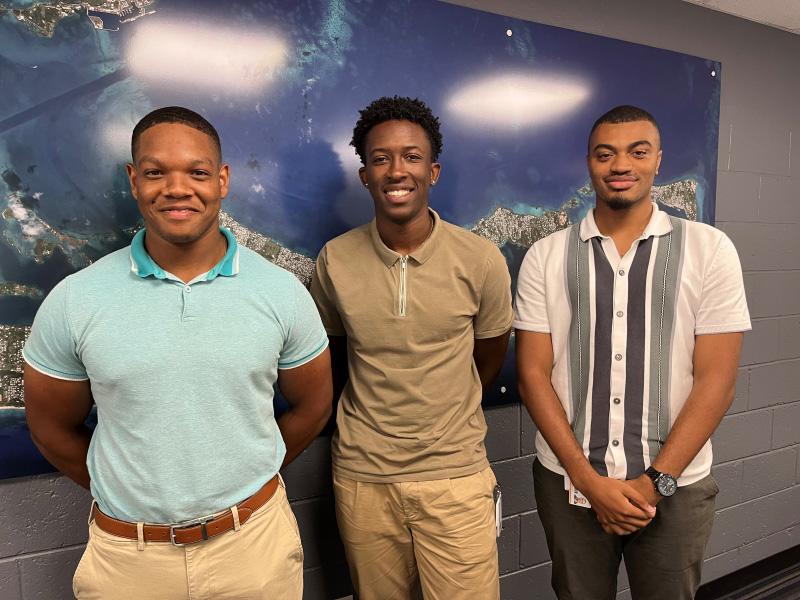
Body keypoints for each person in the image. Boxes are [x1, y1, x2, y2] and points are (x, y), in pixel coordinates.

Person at [23, 106, 332, 600]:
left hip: (255, 549)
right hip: (129, 561)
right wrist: (128, 494)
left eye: (197, 172)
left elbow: (313, 406)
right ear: (134, 180)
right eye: (155, 173)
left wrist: (250, 474)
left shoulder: (282, 293)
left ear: (222, 180)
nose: (177, 188)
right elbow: (51, 428)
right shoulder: (74, 299)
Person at [514, 105, 750, 600]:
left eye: (637, 152)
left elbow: (718, 382)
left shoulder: (711, 250)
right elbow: (532, 375)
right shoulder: (545, 256)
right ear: (589, 163)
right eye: (605, 154)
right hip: (569, 485)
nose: (621, 165)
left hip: (675, 489)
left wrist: (654, 483)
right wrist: (588, 481)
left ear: (658, 160)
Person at [309, 96, 513, 600]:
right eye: (380, 159)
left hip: (456, 477)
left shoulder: (481, 260)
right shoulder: (334, 260)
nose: (396, 170)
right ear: (365, 176)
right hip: (364, 479)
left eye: (412, 157)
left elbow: (487, 360)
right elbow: (335, 358)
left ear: (433, 172)